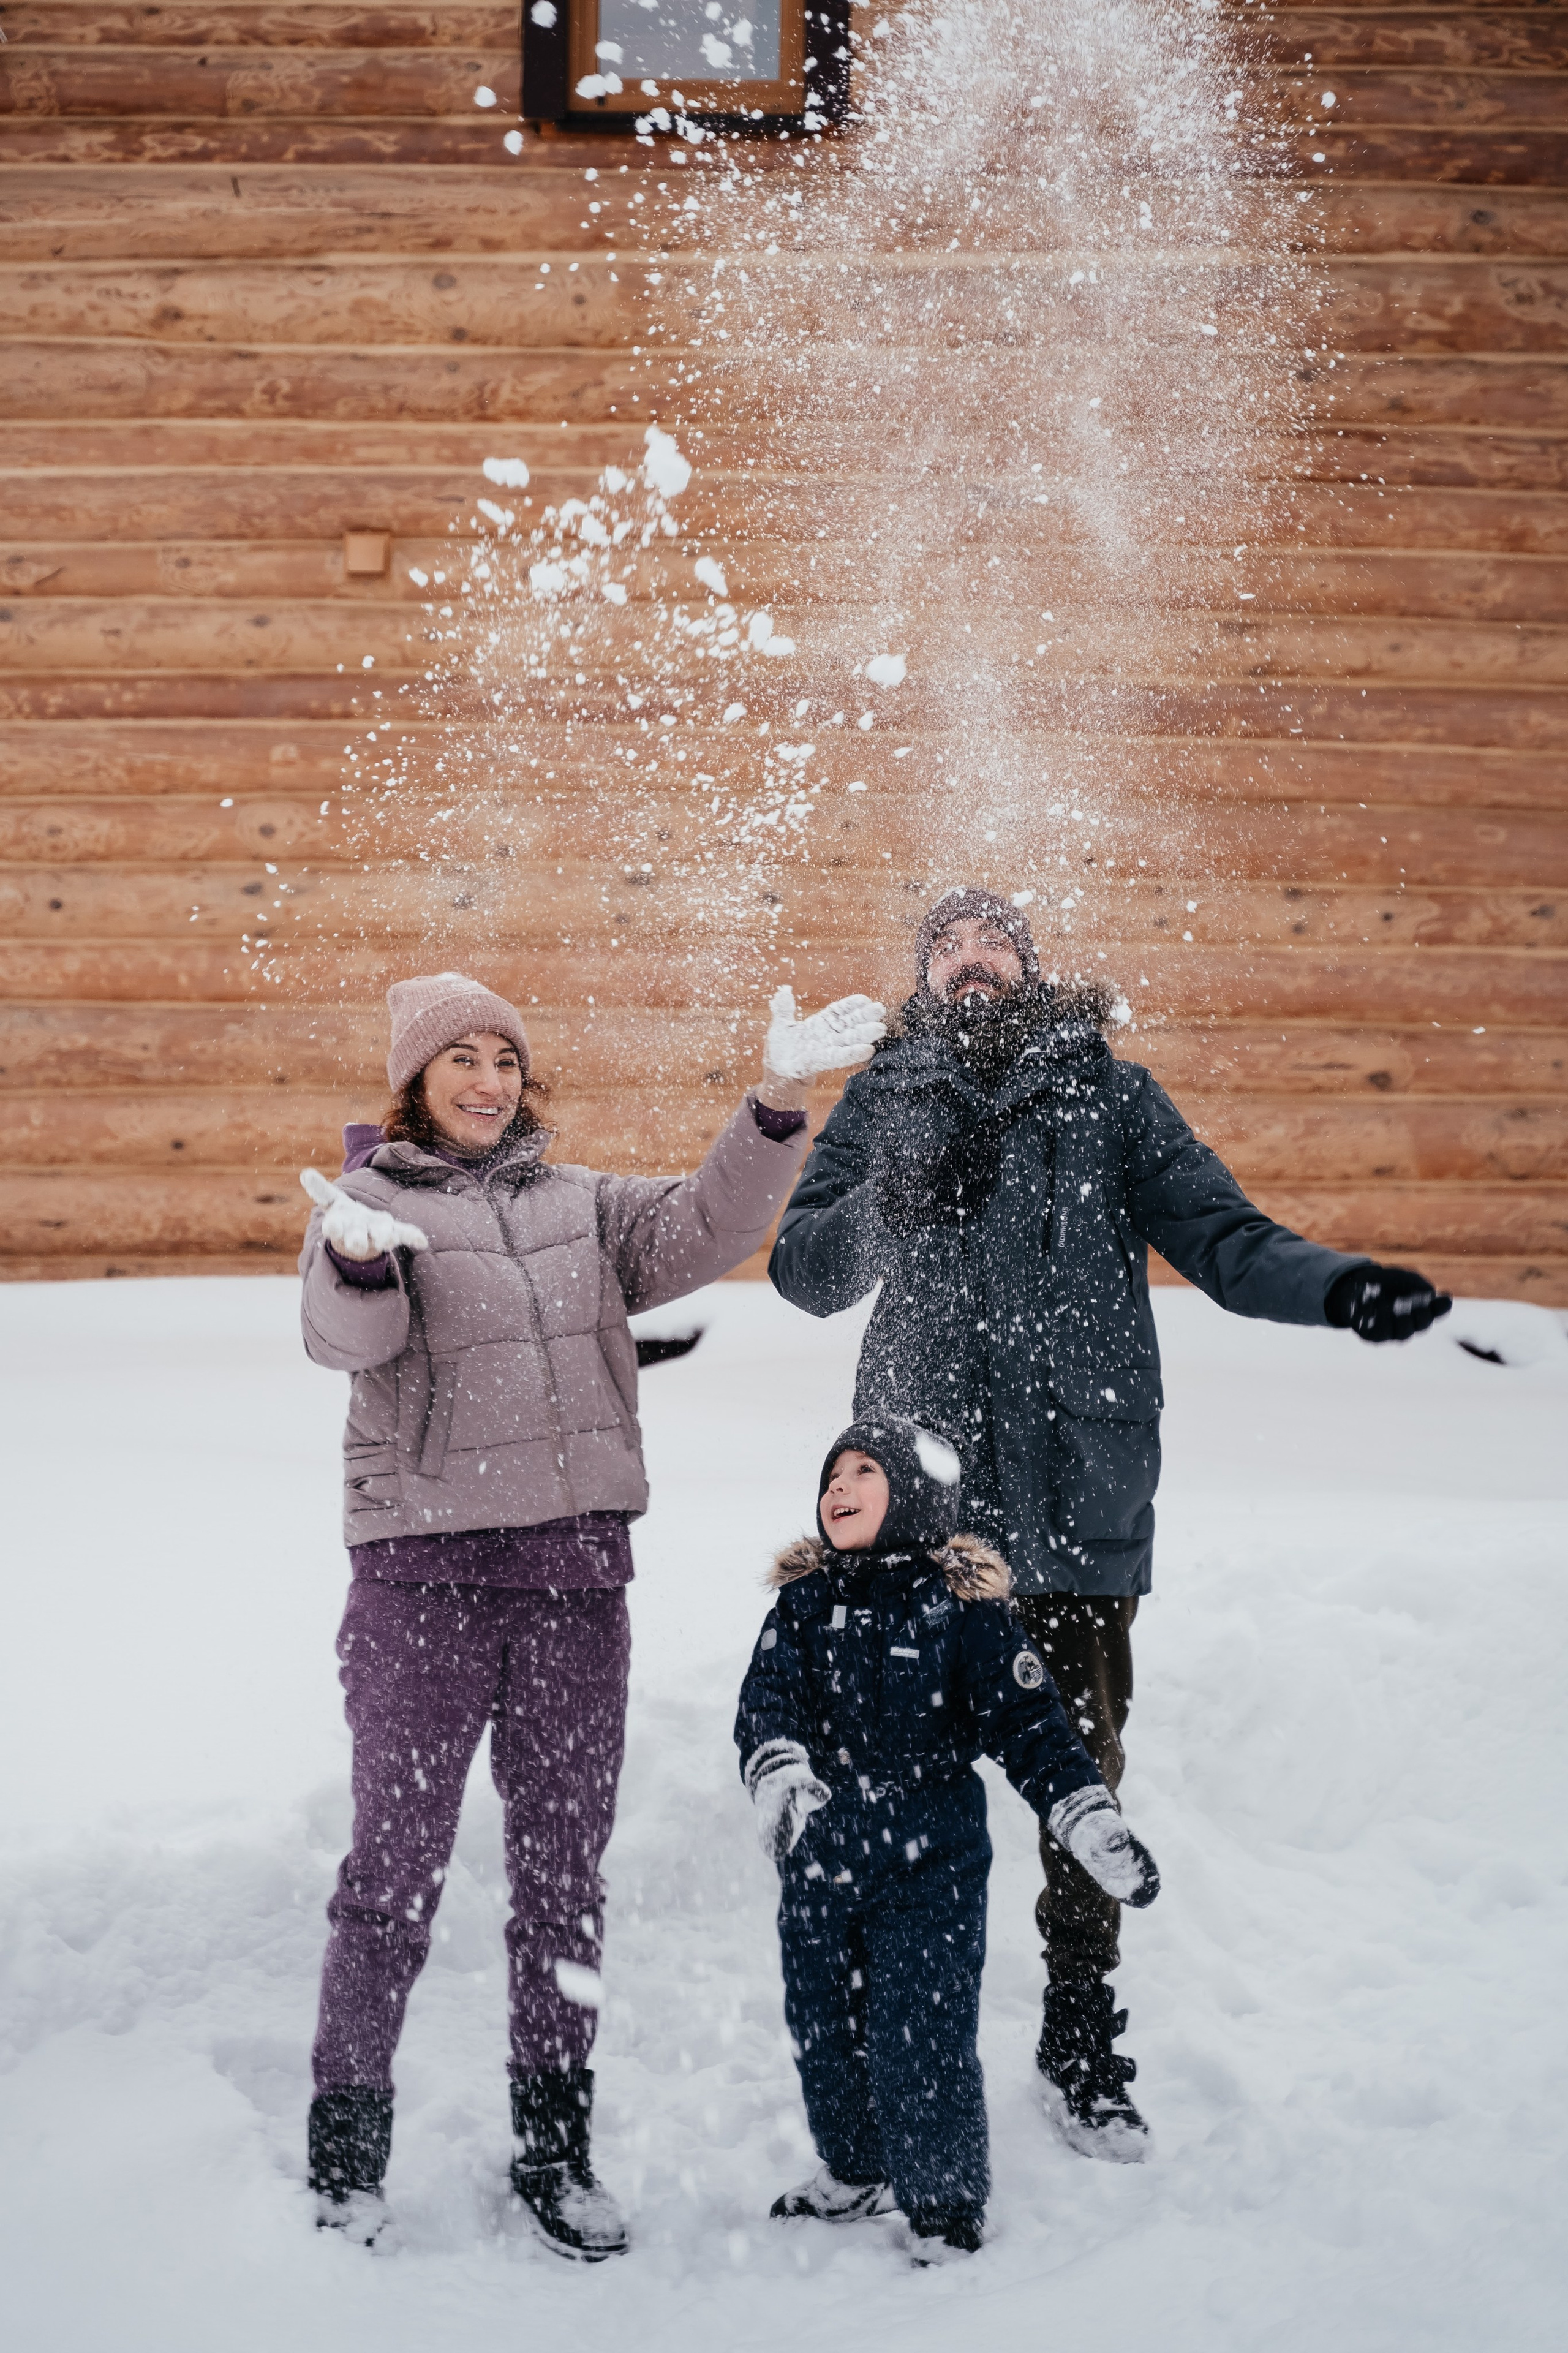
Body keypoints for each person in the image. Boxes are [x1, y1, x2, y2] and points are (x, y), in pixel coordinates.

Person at [768, 886, 1451, 2159]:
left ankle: (1078, 2029)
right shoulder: (885, 1100)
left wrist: (1340, 1289)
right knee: (888, 1787)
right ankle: (887, 2037)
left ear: (1031, 967)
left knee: (1080, 1780)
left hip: (1077, 1502)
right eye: (947, 945)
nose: (972, 958)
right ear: (922, 978)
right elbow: (804, 1274)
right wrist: (893, 1194)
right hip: (921, 1519)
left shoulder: (1110, 1096)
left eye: (994, 941)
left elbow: (1226, 1241)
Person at [297, 969, 884, 2257]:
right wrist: (353, 1256)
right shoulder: (367, 1203)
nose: (487, 1079)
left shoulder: (579, 1205)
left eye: (505, 1057)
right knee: (392, 1876)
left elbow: (706, 1225)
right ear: (415, 1079)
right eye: (460, 1057)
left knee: (563, 1879)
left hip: (573, 1581)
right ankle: (345, 2148)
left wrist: (775, 1098)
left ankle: (555, 2150)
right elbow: (344, 1340)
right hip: (423, 1586)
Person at [735, 1415, 1159, 2262]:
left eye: (865, 1471)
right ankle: (857, 2167)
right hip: (822, 1857)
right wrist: (778, 1770)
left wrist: (1084, 1814)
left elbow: (1030, 1726)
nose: (840, 1487)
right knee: (824, 2026)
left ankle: (944, 2201)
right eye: (833, 1475)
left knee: (920, 2031)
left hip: (930, 1860)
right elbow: (767, 1700)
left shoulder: (964, 1609)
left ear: (918, 1496)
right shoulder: (803, 1603)